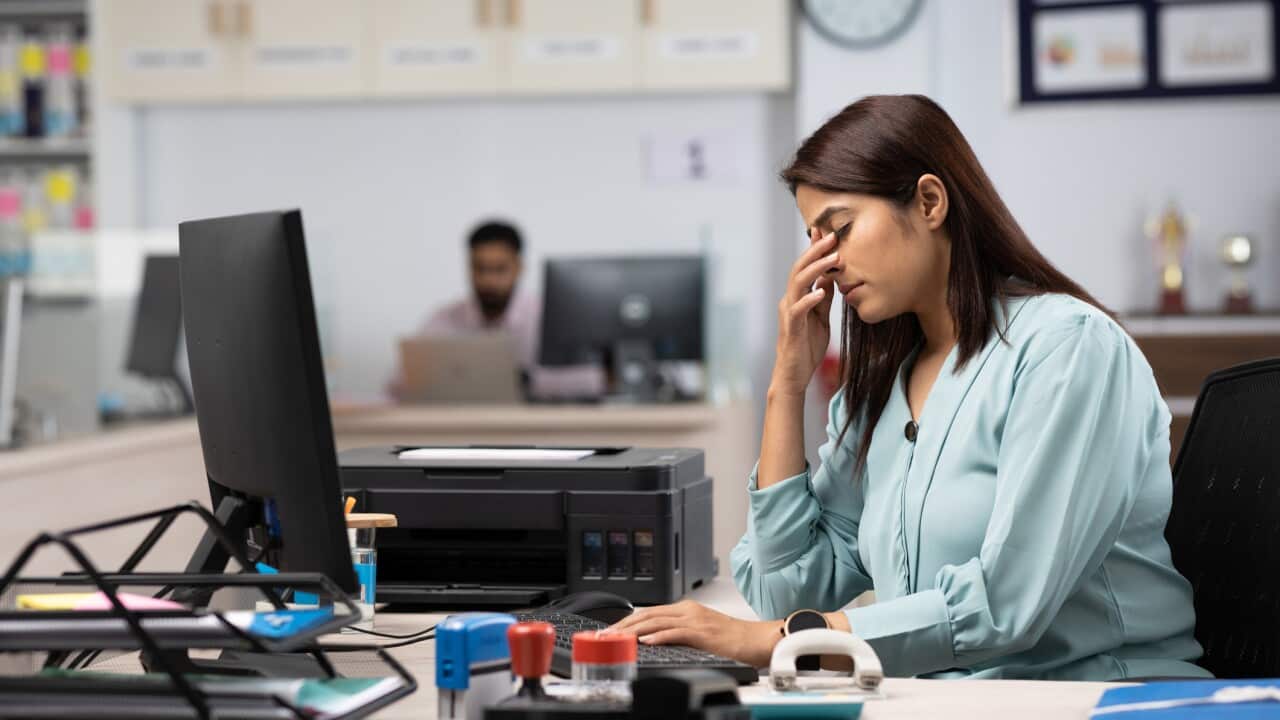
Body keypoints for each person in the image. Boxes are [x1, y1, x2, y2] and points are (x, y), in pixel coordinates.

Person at [611, 95, 1211, 681]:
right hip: (951, 699)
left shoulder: (1068, 348)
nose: (826, 260)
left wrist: (772, 642)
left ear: (929, 201)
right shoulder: (882, 386)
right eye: (812, 239)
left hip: (1093, 693)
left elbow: (1005, 607)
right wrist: (786, 385)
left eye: (839, 229)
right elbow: (785, 589)